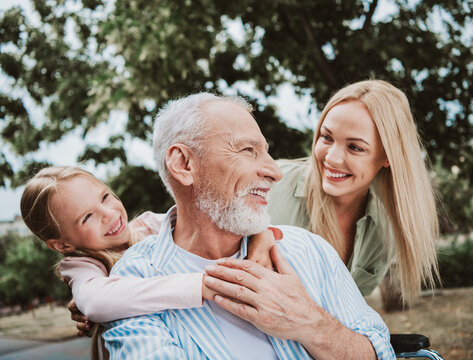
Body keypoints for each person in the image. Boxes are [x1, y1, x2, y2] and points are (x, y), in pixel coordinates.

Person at [102, 92, 394, 359]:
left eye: (266, 152)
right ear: (184, 164)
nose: (274, 171)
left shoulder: (308, 249)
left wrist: (311, 324)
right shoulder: (132, 281)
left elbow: (381, 353)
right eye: (247, 150)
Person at [19, 166, 278, 327]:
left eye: (105, 197)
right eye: (87, 217)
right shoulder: (85, 265)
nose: (108, 213)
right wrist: (202, 285)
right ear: (62, 244)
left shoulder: (155, 225)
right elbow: (97, 302)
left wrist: (261, 238)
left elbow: (227, 225)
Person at [266, 80, 440, 303]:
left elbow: (345, 313)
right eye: (326, 137)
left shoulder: (385, 231)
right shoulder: (271, 185)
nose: (332, 158)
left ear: (388, 156)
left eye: (355, 147)